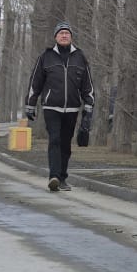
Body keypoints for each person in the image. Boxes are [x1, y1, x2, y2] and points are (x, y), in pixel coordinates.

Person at [25, 21, 94, 191]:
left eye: (67, 33)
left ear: (71, 37)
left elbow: (88, 85)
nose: (64, 35)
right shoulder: (45, 57)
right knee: (54, 140)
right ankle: (54, 177)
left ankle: (62, 178)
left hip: (72, 108)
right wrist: (30, 104)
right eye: (61, 33)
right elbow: (35, 82)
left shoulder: (80, 57)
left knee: (65, 144)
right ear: (55, 37)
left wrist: (89, 104)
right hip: (51, 107)